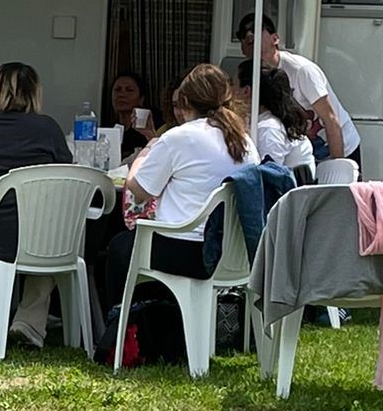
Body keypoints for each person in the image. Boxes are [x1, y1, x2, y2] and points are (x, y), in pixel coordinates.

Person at [104, 64, 255, 305]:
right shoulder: (244, 141)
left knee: (119, 248)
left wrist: (144, 154)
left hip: (188, 251)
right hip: (234, 252)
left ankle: (123, 331)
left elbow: (139, 190)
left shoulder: (179, 137)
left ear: (185, 101)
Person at [0, 62, 72, 349]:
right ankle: (28, 321)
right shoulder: (48, 128)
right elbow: (64, 174)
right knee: (59, 238)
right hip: (34, 233)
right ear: (34, 93)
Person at [237, 13, 361, 167]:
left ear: (275, 38)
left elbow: (330, 119)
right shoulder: (255, 76)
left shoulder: (301, 70)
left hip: (341, 146)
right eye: (242, 33)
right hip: (309, 150)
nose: (249, 35)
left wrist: (339, 167)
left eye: (256, 29)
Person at [236, 60, 316, 178]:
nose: (230, 90)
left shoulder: (269, 128)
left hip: (290, 193)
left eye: (232, 84)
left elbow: (270, 177)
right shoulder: (268, 120)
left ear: (247, 91)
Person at [107, 71, 156, 157]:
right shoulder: (108, 129)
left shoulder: (149, 128)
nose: (122, 94)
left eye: (129, 90)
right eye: (118, 90)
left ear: (141, 99)